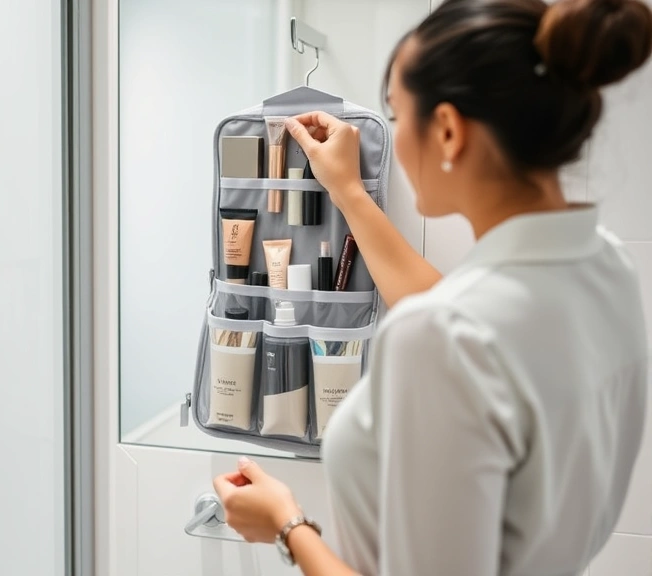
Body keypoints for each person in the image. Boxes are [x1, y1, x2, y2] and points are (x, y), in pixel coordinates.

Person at [212, 0, 652, 574]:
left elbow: (448, 329)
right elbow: (452, 312)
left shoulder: (446, 336)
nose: (394, 134)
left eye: (396, 114)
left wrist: (287, 526)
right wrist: (346, 190)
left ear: (446, 130)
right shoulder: (606, 269)